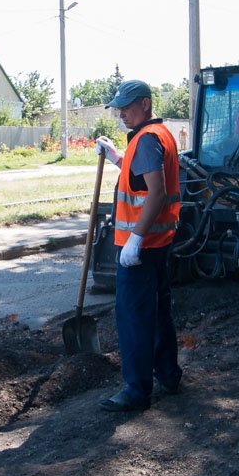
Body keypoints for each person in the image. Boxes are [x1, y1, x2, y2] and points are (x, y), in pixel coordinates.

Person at [94, 79, 183, 413]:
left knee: (133, 316)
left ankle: (136, 389)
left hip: (140, 249)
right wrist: (117, 156)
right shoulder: (156, 135)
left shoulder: (147, 139)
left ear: (145, 104)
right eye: (118, 109)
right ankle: (169, 375)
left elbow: (156, 193)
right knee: (159, 311)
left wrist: (134, 240)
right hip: (157, 243)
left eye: (126, 108)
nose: (121, 114)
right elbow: (142, 181)